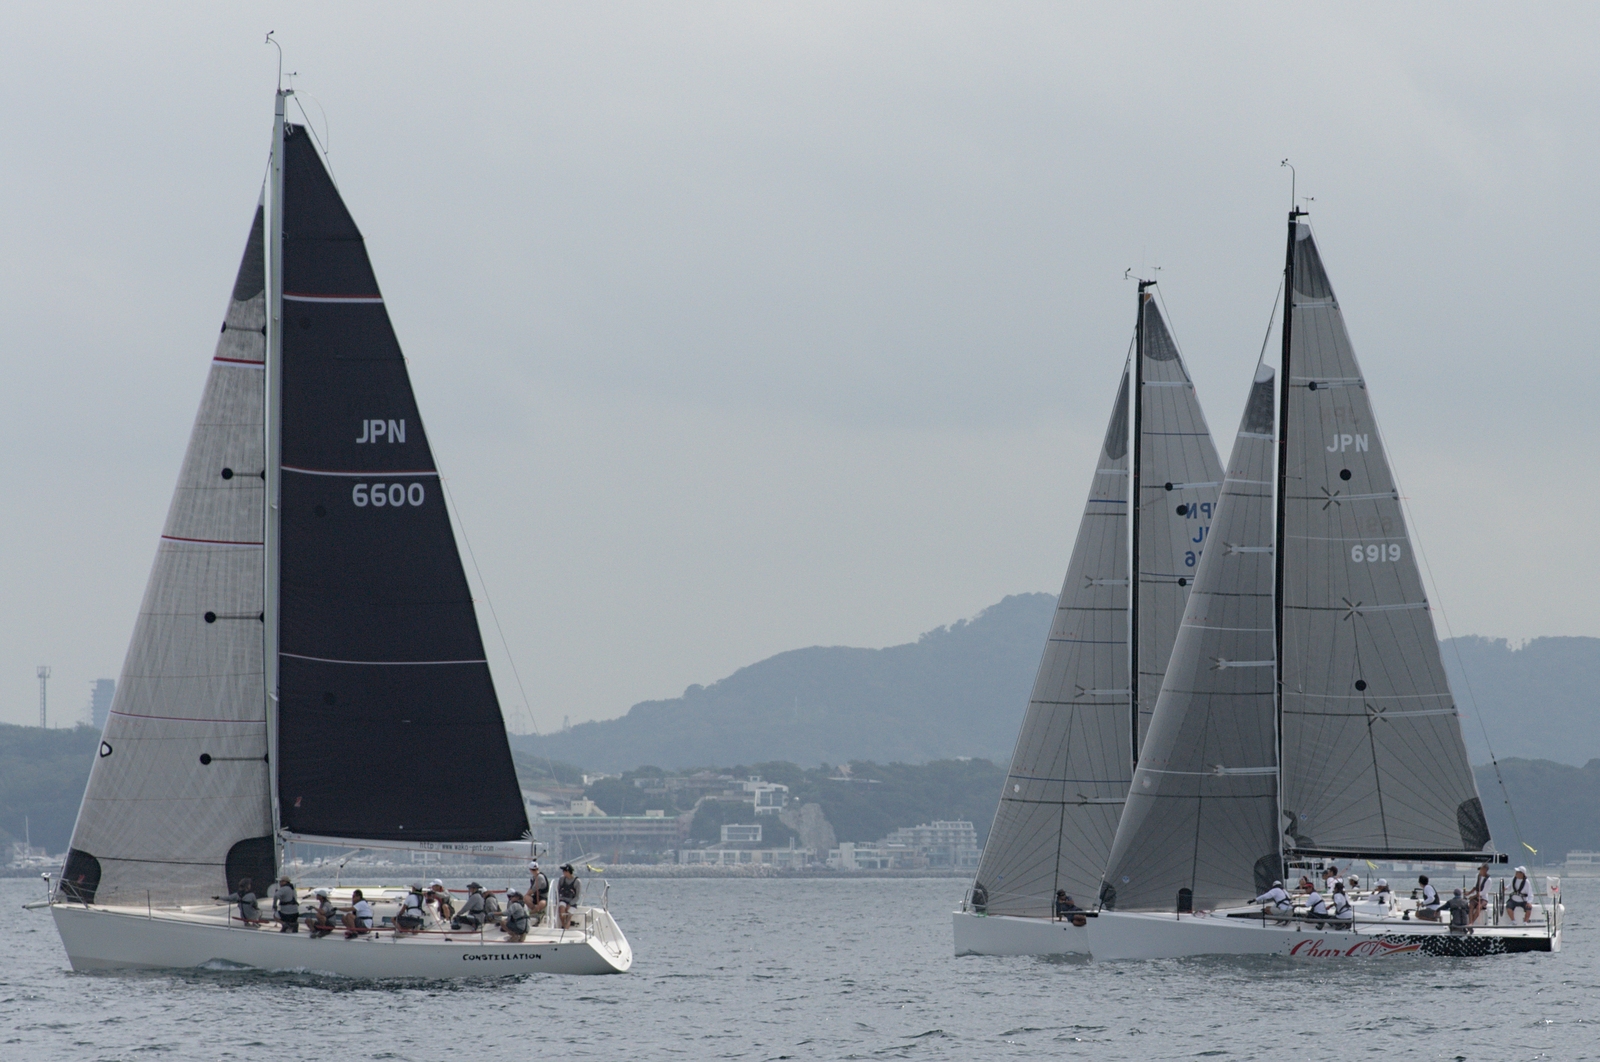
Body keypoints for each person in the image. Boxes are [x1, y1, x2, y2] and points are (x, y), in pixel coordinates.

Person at [557, 864, 582, 929]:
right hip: (563, 899)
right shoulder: (562, 879)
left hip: (572, 902)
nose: (563, 873)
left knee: (568, 916)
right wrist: (558, 900)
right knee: (562, 910)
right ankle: (563, 925)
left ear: (568, 872)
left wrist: (570, 904)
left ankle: (565, 928)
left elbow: (577, 896)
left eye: (564, 871)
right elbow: (558, 891)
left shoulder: (577, 882)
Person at [528, 861, 550, 926]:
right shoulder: (533, 878)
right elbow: (531, 889)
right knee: (526, 898)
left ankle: (531, 913)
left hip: (543, 897)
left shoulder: (540, 877)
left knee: (541, 904)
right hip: (535, 896)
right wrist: (526, 895)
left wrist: (528, 893)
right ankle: (535, 912)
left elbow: (533, 889)